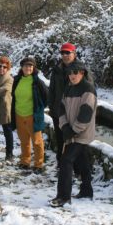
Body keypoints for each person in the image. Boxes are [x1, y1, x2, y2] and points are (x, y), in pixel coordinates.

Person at [50, 60, 97, 208]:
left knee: (66, 161)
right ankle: (87, 191)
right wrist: (64, 127)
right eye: (70, 73)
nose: (72, 76)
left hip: (81, 134)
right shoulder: (68, 88)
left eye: (75, 73)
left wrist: (73, 131)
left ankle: (63, 197)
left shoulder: (88, 90)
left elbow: (85, 114)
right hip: (70, 131)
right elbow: (62, 109)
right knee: (82, 162)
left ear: (82, 73)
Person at [48, 42, 94, 167]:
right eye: (63, 53)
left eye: (68, 52)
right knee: (60, 138)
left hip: (75, 111)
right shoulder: (57, 70)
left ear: (74, 53)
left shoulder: (81, 70)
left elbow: (88, 90)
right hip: (59, 111)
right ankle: (61, 164)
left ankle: (78, 169)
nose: (65, 55)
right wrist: (52, 108)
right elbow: (51, 90)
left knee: (76, 141)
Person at [11, 57, 48, 173]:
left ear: (34, 68)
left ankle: (39, 164)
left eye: (31, 66)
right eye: (26, 66)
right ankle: (25, 161)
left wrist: (38, 109)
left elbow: (46, 97)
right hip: (19, 114)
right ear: (22, 67)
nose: (28, 68)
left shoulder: (37, 82)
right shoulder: (16, 80)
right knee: (24, 140)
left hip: (33, 116)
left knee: (37, 141)